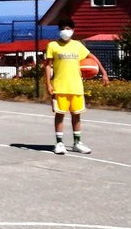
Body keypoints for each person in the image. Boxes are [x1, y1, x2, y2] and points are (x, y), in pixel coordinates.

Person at [44, 19, 109, 155]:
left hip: (76, 87)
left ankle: (77, 142)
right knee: (59, 115)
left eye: (68, 28)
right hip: (60, 86)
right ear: (59, 30)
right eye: (62, 28)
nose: (65, 31)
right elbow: (48, 65)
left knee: (76, 115)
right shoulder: (53, 45)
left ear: (73, 30)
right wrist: (48, 83)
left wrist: (103, 72)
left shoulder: (78, 45)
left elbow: (92, 57)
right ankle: (60, 143)